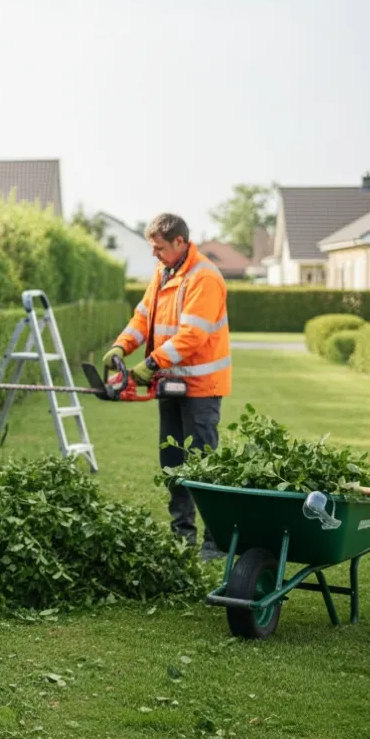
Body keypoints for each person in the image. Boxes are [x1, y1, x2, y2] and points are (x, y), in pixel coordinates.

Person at [104, 213, 231, 560]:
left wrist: (149, 365)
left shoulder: (203, 277)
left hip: (201, 387)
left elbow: (192, 336)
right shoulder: (163, 273)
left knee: (202, 466)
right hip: (171, 383)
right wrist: (122, 346)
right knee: (173, 462)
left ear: (179, 242)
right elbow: (143, 316)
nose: (154, 255)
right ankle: (181, 536)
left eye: (159, 248)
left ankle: (214, 542)